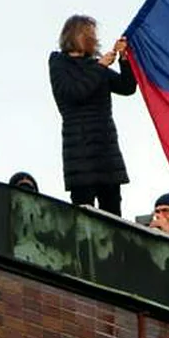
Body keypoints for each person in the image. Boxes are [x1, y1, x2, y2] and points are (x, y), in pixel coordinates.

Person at [49, 15, 136, 216]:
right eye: (89, 34)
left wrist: (124, 59)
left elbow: (127, 87)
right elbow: (74, 93)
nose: (94, 38)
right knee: (84, 213)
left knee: (113, 213)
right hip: (79, 149)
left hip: (105, 148)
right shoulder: (59, 64)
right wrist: (101, 67)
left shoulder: (95, 65)